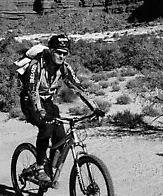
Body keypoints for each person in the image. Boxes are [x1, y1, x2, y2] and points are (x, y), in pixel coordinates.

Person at [20, 34, 104, 183]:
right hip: (30, 102)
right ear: (51, 50)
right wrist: (40, 112)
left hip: (47, 101)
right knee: (46, 127)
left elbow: (79, 88)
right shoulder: (36, 66)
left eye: (65, 53)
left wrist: (94, 107)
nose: (62, 56)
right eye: (59, 52)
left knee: (60, 136)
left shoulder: (64, 68)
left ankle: (50, 168)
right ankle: (39, 168)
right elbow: (33, 91)